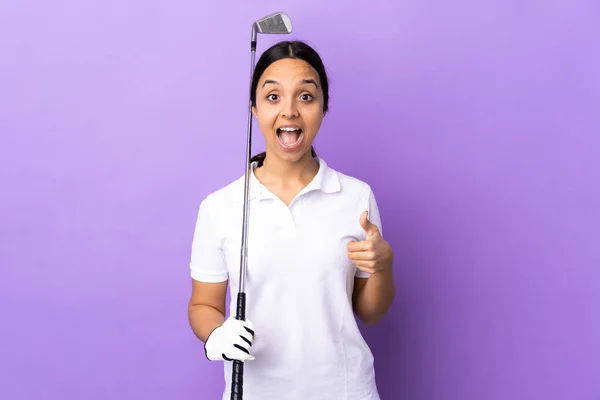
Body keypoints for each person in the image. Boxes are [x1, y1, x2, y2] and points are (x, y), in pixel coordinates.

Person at [187, 40, 395, 400]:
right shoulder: (220, 207)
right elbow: (202, 305)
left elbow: (370, 312)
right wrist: (215, 334)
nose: (289, 111)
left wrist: (383, 264)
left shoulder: (356, 197)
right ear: (253, 109)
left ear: (323, 108)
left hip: (346, 391)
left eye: (306, 96)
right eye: (272, 97)